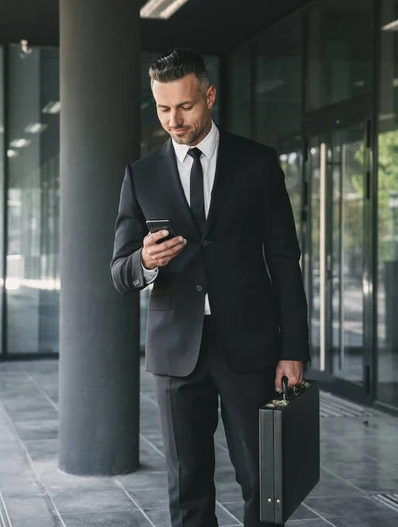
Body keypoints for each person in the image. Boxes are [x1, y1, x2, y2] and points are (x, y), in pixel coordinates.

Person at [111, 49, 310, 527]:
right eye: (163, 109)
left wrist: (294, 349)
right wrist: (145, 260)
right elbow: (119, 270)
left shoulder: (258, 164)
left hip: (250, 346)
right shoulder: (141, 175)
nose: (174, 120)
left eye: (185, 106)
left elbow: (284, 260)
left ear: (209, 96)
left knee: (263, 483)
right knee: (187, 485)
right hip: (176, 352)